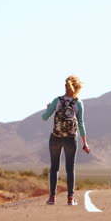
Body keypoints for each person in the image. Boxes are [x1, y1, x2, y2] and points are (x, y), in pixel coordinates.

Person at [41, 75, 90, 206]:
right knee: (70, 168)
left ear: (65, 86)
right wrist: (85, 143)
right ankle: (70, 198)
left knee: (54, 168)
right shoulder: (78, 103)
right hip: (70, 139)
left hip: (55, 137)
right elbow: (81, 124)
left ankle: (52, 198)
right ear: (78, 88)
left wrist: (48, 108)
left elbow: (44, 118)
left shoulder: (57, 100)